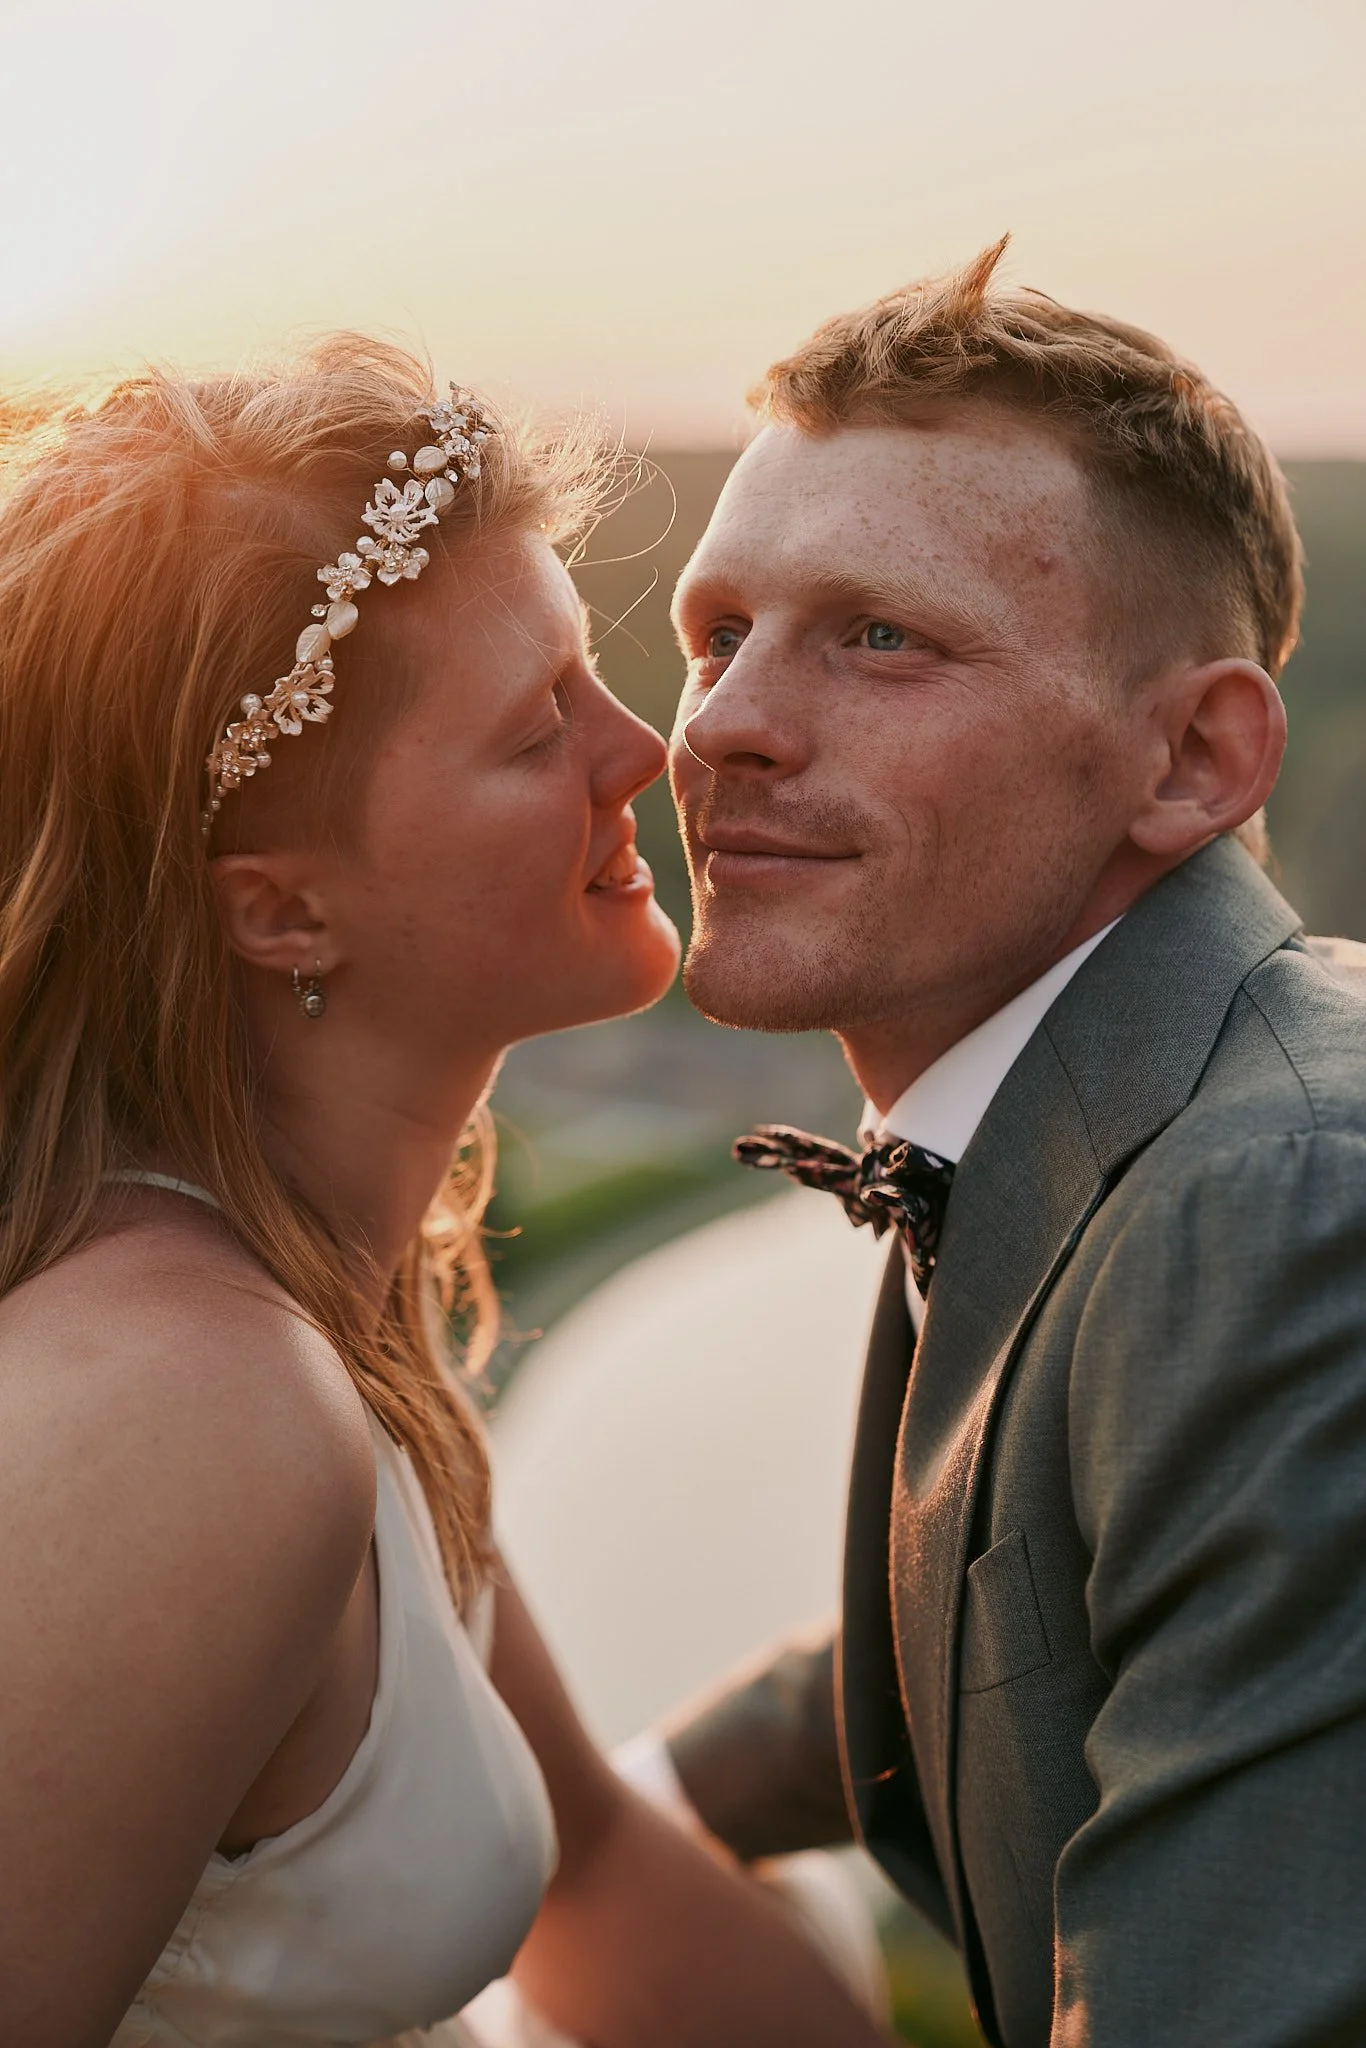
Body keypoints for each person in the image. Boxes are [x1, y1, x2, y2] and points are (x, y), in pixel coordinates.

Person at [0, 340, 891, 2048]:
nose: (651, 747)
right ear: (281, 913)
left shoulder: (326, 1285)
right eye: (530, 728)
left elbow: (597, 1868)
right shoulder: (192, 1404)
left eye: (594, 676)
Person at [657, 240, 1366, 2044]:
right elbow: (1048, 1584)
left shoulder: (1280, 1209)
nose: (725, 726)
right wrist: (652, 1797)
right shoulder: (1128, 1103)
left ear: (1192, 762)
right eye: (718, 634)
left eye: (880, 636)